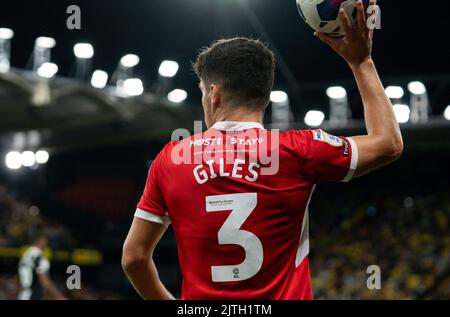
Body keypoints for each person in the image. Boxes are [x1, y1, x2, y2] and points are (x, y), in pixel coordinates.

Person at [122, 0, 403, 300]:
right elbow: (388, 143)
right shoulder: (299, 149)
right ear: (265, 97)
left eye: (203, 92)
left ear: (213, 94)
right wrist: (361, 63)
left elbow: (134, 258)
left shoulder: (173, 158)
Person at [17, 232, 66, 300]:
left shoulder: (25, 255)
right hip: (33, 295)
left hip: (23, 295)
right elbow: (45, 282)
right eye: (45, 241)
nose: (46, 244)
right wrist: (59, 296)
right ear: (40, 241)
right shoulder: (40, 258)